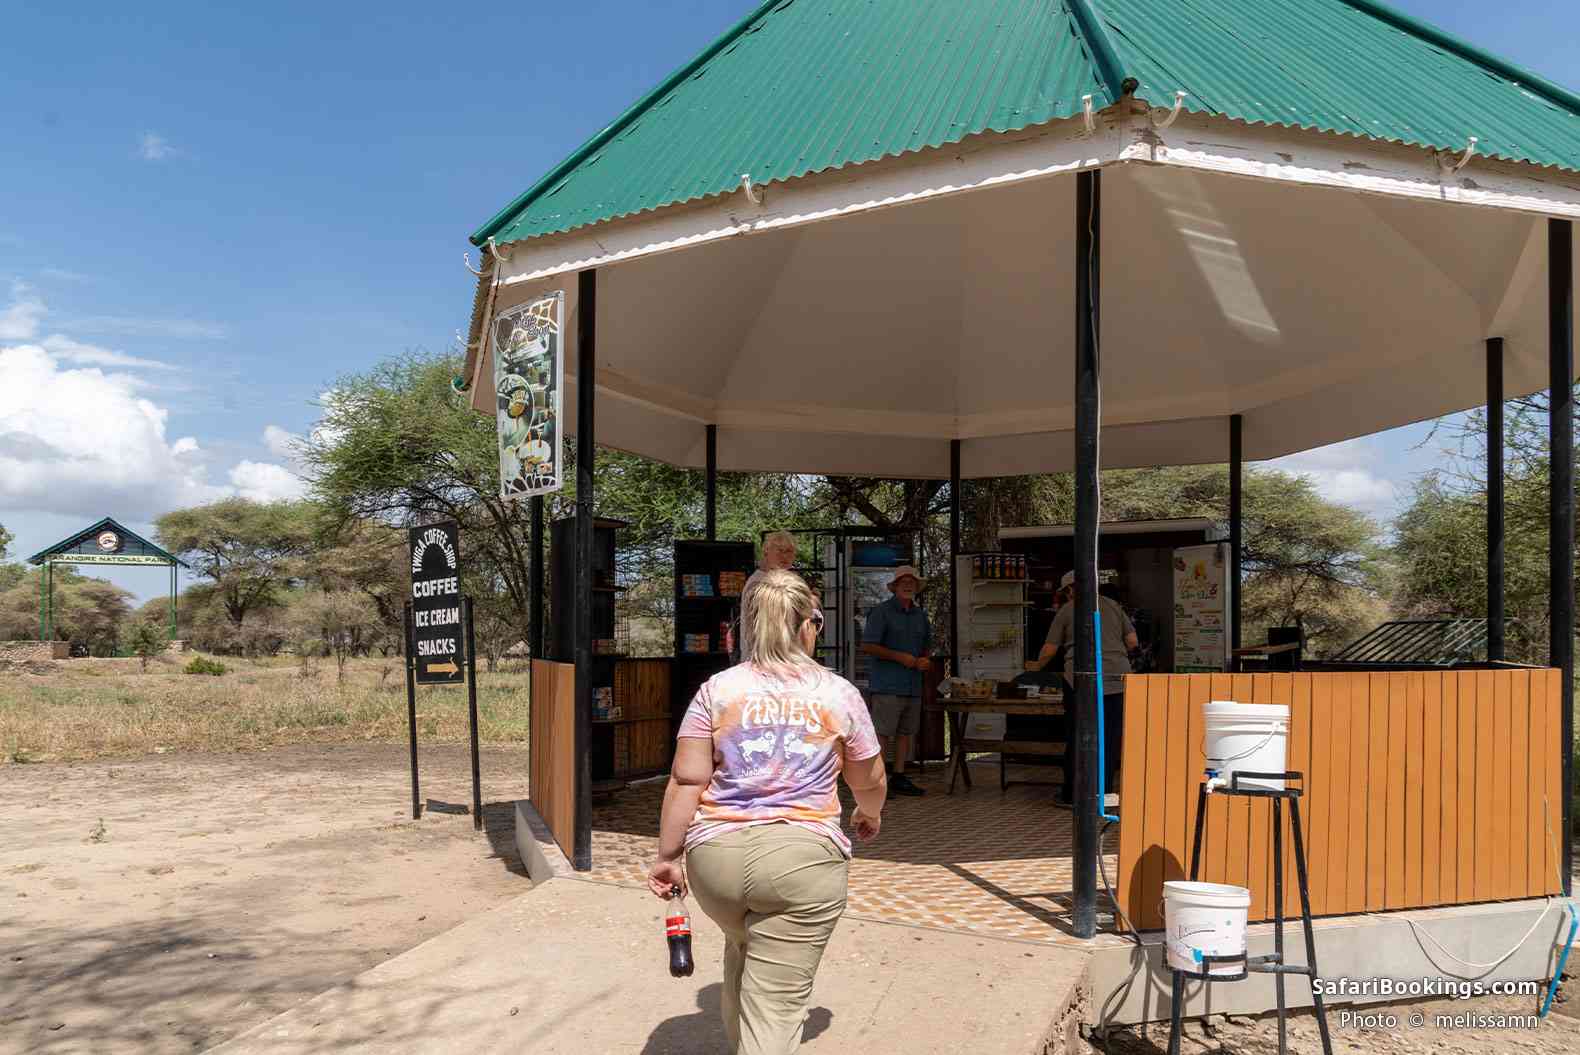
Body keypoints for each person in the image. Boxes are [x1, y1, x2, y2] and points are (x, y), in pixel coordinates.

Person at [648, 569, 887, 1055]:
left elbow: (687, 780)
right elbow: (869, 778)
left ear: (747, 628)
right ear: (809, 626)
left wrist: (668, 855)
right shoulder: (838, 693)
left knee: (743, 950)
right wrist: (869, 813)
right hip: (802, 863)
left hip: (716, 862)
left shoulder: (717, 691)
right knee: (775, 1008)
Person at [1026, 570, 1138, 804]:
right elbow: (1132, 641)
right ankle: (1104, 794)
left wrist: (1036, 666)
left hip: (1082, 681)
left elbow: (1050, 648)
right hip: (1118, 679)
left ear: (1070, 590)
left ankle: (1074, 794)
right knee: (1109, 738)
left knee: (1079, 737)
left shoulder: (1068, 609)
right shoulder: (1114, 606)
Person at [858, 565, 931, 797]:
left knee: (905, 732)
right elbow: (867, 645)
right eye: (903, 582)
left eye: (912, 582)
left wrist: (924, 660)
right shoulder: (881, 612)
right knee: (883, 732)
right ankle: (877, 780)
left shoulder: (921, 615)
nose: (908, 586)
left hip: (912, 684)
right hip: (887, 684)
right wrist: (899, 657)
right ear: (895, 587)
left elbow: (926, 646)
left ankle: (899, 776)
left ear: (917, 588)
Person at [729, 530, 800, 661]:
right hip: (762, 662)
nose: (784, 556)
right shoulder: (760, 583)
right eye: (779, 550)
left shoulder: (784, 579)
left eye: (789, 551)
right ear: (766, 552)